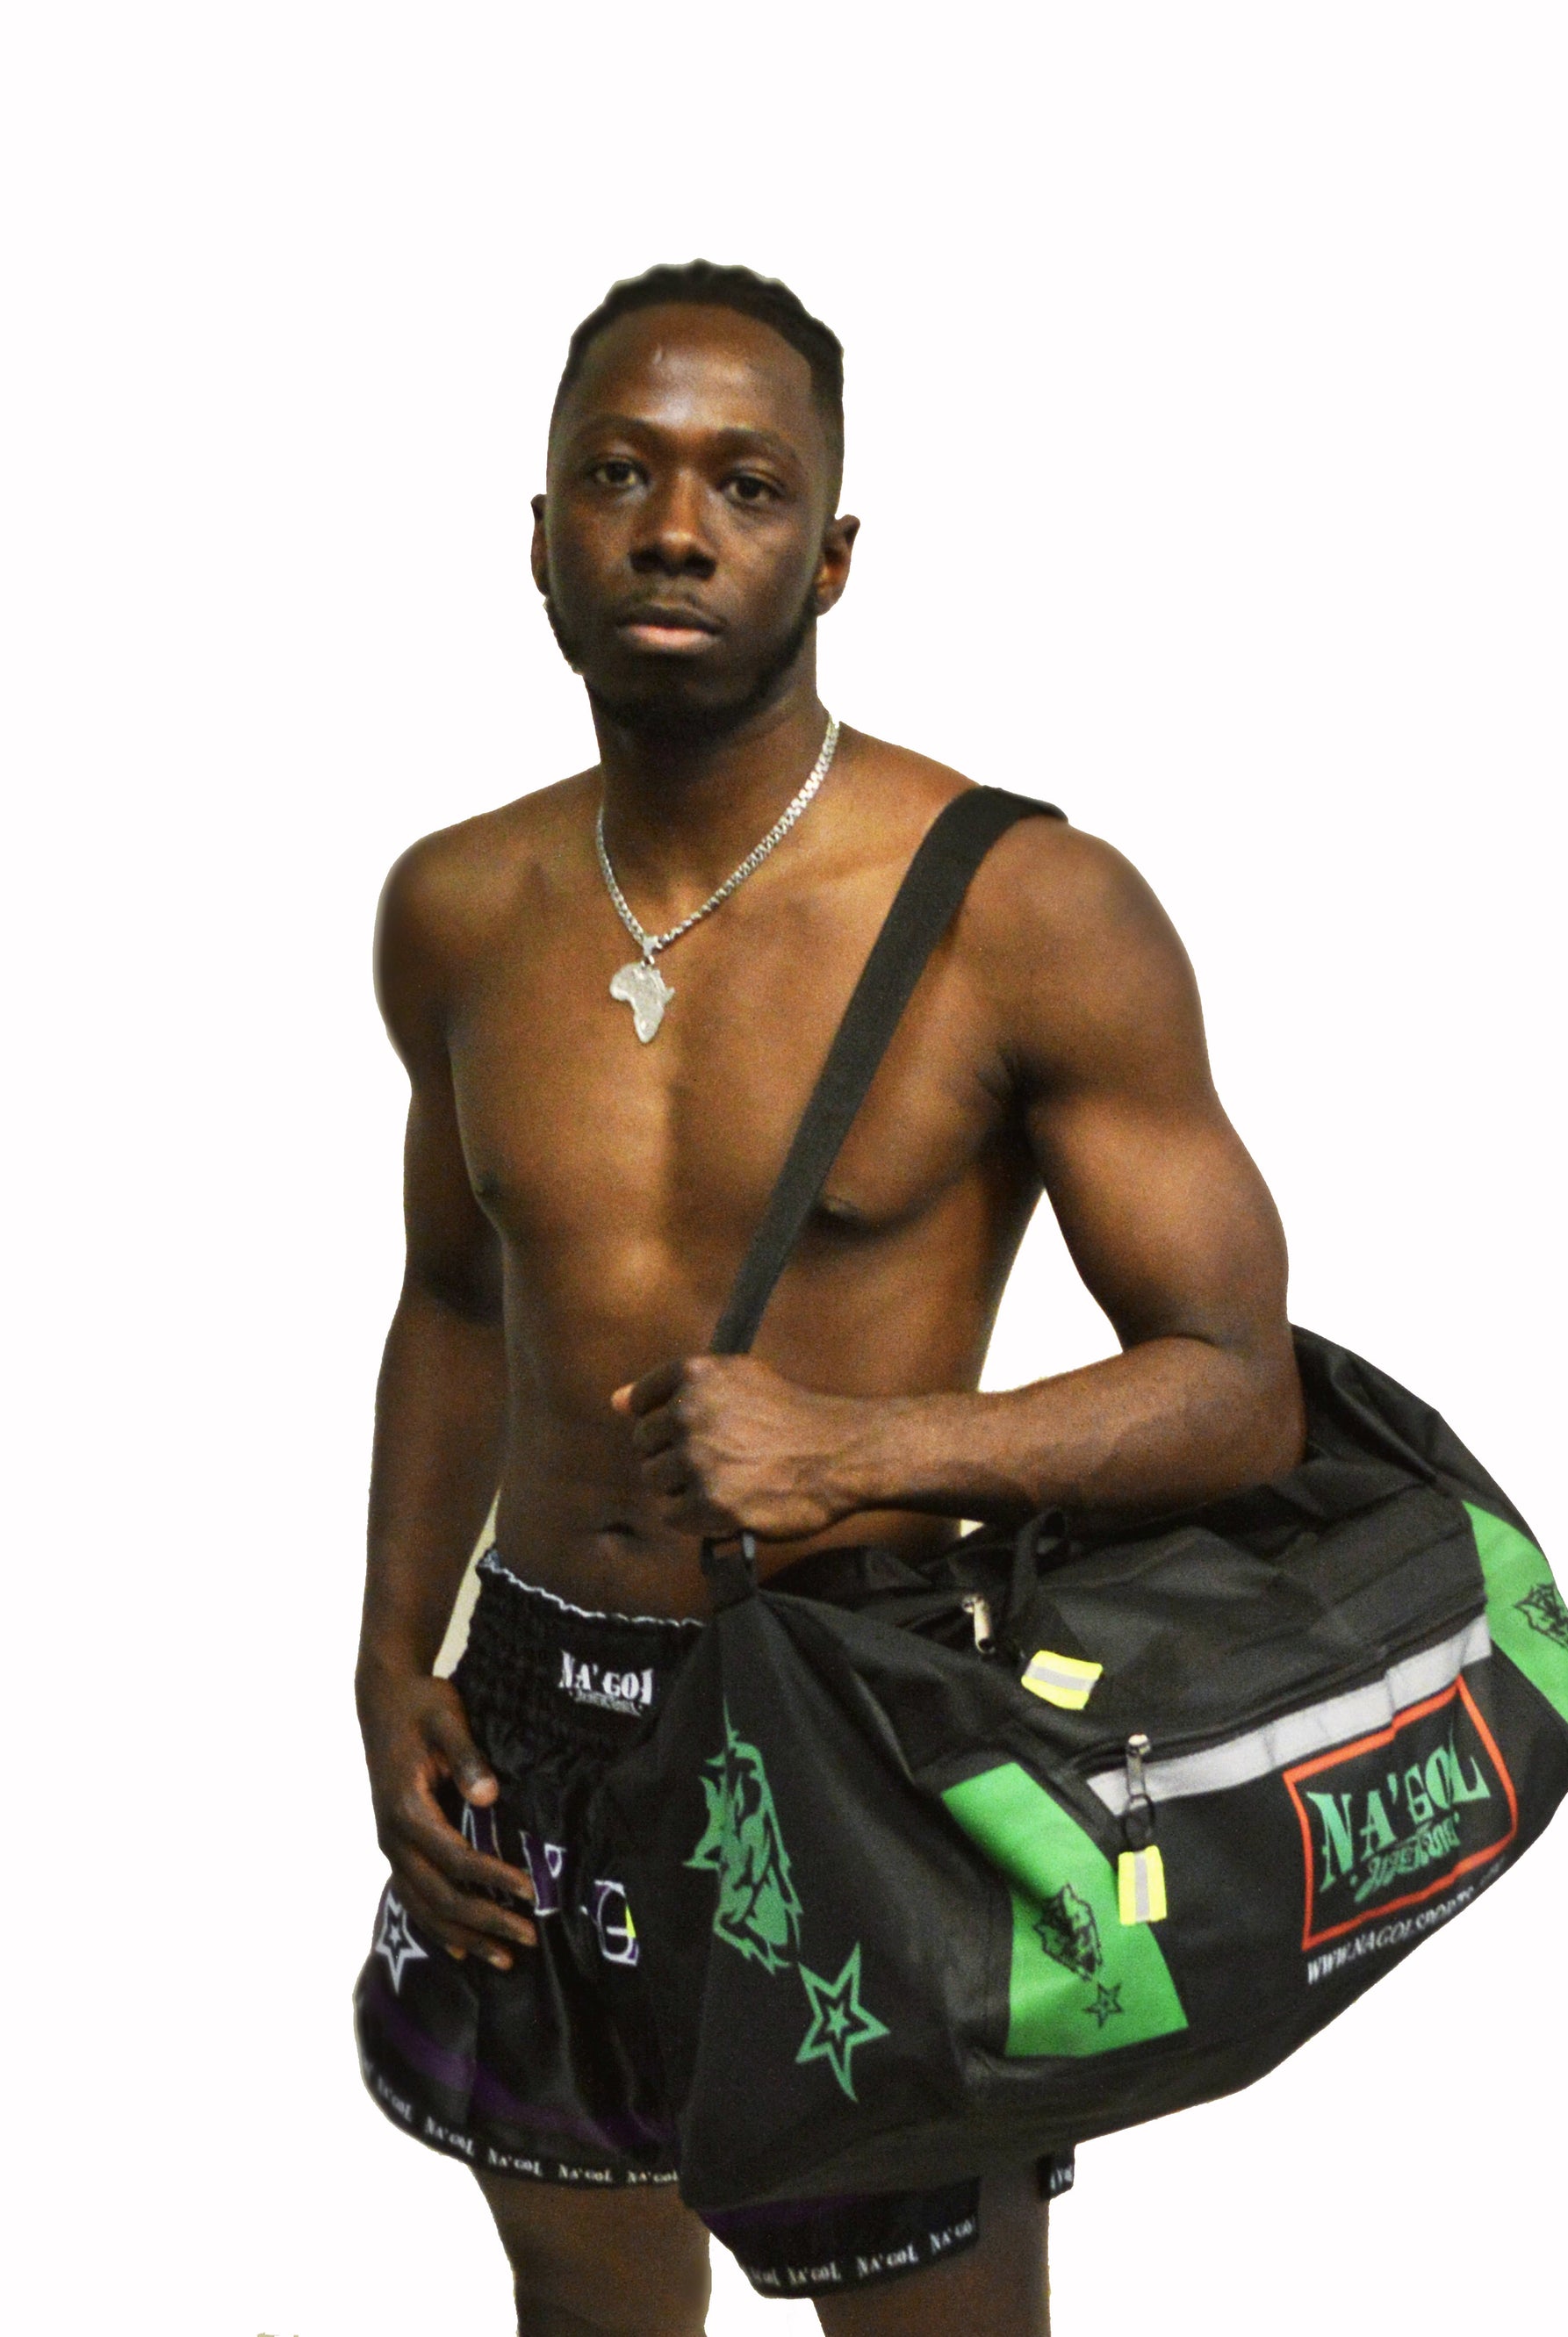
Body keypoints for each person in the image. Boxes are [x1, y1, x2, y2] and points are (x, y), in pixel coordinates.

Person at [354, 260, 1305, 2337]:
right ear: (541, 536)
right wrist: (385, 1653)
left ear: (832, 551)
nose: (675, 524)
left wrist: (868, 1444)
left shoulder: (1030, 908)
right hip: (532, 1714)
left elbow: (1239, 1391)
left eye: (745, 482)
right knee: (587, 2303)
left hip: (851, 1715)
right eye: (618, 472)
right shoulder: (456, 904)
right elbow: (449, 1298)